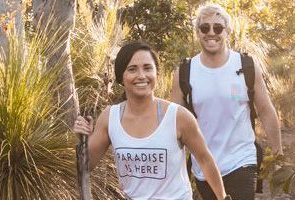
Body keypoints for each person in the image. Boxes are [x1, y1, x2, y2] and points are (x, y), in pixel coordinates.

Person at [73, 41, 229, 200]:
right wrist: (83, 138)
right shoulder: (110, 117)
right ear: (121, 77)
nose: (141, 75)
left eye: (147, 68)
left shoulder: (178, 117)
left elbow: (205, 160)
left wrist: (223, 198)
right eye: (132, 69)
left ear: (156, 74)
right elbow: (84, 167)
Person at [170, 3, 283, 200]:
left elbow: (265, 110)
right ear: (198, 31)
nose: (211, 32)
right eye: (205, 27)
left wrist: (278, 155)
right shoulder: (185, 72)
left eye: (218, 27)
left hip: (242, 160)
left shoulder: (246, 65)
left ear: (228, 31)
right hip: (203, 165)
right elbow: (173, 124)